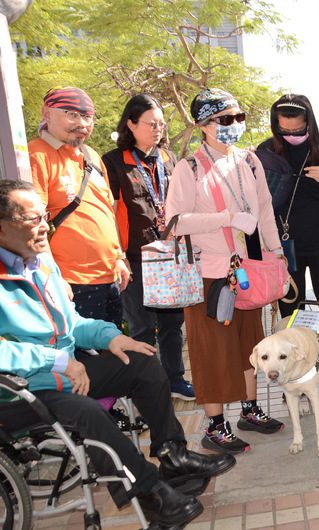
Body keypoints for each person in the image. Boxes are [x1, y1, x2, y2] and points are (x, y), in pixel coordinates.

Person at [0, 179, 235, 528]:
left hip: (68, 372)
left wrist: (112, 338)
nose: (45, 226)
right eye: (33, 219)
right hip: (20, 391)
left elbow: (72, 323)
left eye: (44, 216)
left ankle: (173, 454)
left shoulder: (39, 265)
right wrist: (57, 361)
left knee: (142, 363)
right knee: (89, 413)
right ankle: (150, 494)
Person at [166, 88, 285, 454]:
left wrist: (277, 253)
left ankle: (250, 410)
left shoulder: (249, 161)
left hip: (248, 270)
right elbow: (174, 222)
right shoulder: (189, 168)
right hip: (209, 275)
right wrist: (227, 218)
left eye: (239, 117)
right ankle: (216, 426)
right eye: (225, 119)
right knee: (212, 350)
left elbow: (265, 210)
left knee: (250, 344)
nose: (235, 124)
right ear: (204, 124)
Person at [256, 94, 319, 400]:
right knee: (290, 316)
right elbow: (258, 204)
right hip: (285, 249)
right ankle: (295, 378)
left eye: (297, 130)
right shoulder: (265, 152)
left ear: (308, 123)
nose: (291, 136)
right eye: (284, 130)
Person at [101, 94, 195, 401]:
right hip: (135, 257)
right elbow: (109, 213)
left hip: (168, 254)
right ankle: (147, 388)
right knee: (141, 326)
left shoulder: (168, 158)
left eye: (161, 124)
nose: (158, 129)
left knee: (172, 323)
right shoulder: (113, 162)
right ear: (131, 124)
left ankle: (175, 380)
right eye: (151, 124)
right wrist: (118, 255)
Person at [28, 87, 131, 327]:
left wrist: (119, 257)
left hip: (109, 277)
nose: (82, 123)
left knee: (111, 346)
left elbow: (107, 210)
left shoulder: (91, 155)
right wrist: (53, 277)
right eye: (71, 114)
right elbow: (33, 225)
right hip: (71, 281)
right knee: (83, 350)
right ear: (47, 113)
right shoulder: (37, 154)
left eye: (87, 116)